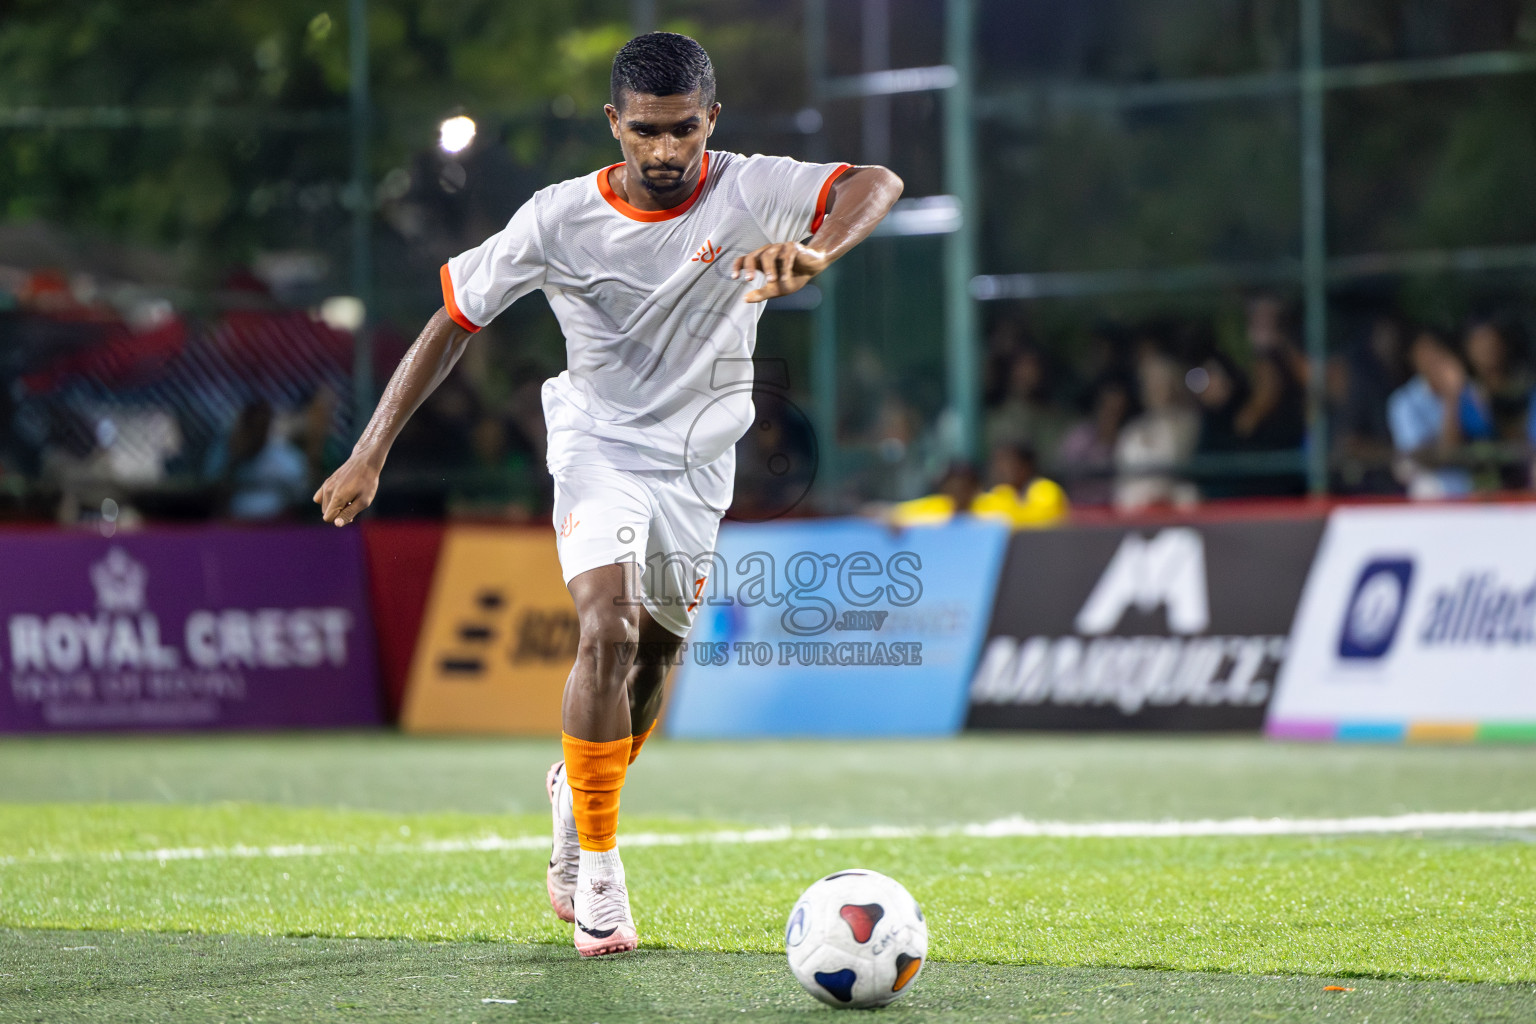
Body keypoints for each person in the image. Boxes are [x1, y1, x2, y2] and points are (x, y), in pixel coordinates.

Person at [312, 33, 902, 957]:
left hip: (701, 462)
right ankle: (599, 870)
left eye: (681, 132)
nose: (664, 152)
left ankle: (573, 792)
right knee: (610, 625)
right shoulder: (556, 218)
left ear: (712, 119)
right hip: (598, 447)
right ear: (613, 125)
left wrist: (818, 250)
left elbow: (877, 181)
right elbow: (453, 319)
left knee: (655, 663)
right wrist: (370, 450)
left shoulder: (750, 185)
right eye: (644, 133)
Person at [1388, 328, 1493, 498]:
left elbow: (1484, 443)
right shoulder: (1404, 402)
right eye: (1424, 353)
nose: (1432, 359)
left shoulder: (1471, 392)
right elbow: (1441, 454)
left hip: (1472, 488)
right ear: (1414, 358)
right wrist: (1452, 398)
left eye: (1437, 351)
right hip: (1430, 491)